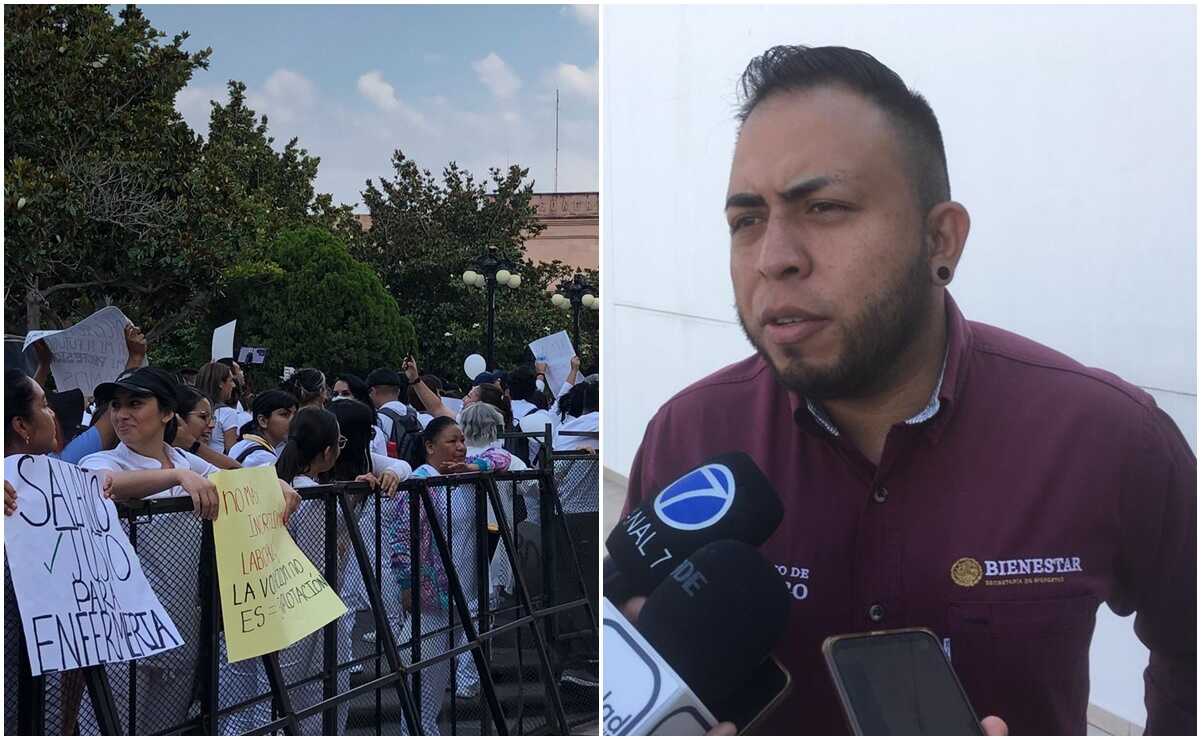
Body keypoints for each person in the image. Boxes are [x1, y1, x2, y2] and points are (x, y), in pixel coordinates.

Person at [619, 44, 1195, 736]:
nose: (774, 257)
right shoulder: (690, 435)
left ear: (939, 240)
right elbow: (632, 655)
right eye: (746, 220)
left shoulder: (1109, 435)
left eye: (824, 207)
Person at [386, 416, 509, 735]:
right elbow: (401, 539)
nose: (459, 448)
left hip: (464, 593)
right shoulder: (420, 481)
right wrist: (408, 584)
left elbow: (503, 458)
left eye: (462, 441)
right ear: (429, 446)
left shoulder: (465, 473)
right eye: (450, 441)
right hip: (431, 598)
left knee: (439, 677)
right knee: (425, 678)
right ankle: (417, 731)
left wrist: (474, 467)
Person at [228, 389, 298, 467]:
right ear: (263, 421)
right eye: (284, 414)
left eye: (295, 414)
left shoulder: (241, 445)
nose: (294, 420)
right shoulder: (263, 458)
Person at [333, 372, 388, 456]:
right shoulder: (327, 428)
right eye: (335, 394)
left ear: (359, 398)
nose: (339, 398)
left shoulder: (374, 433)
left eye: (345, 394)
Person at [195, 361, 239, 453]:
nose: (234, 385)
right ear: (220, 383)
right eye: (230, 380)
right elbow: (233, 453)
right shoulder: (228, 413)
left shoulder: (190, 410)